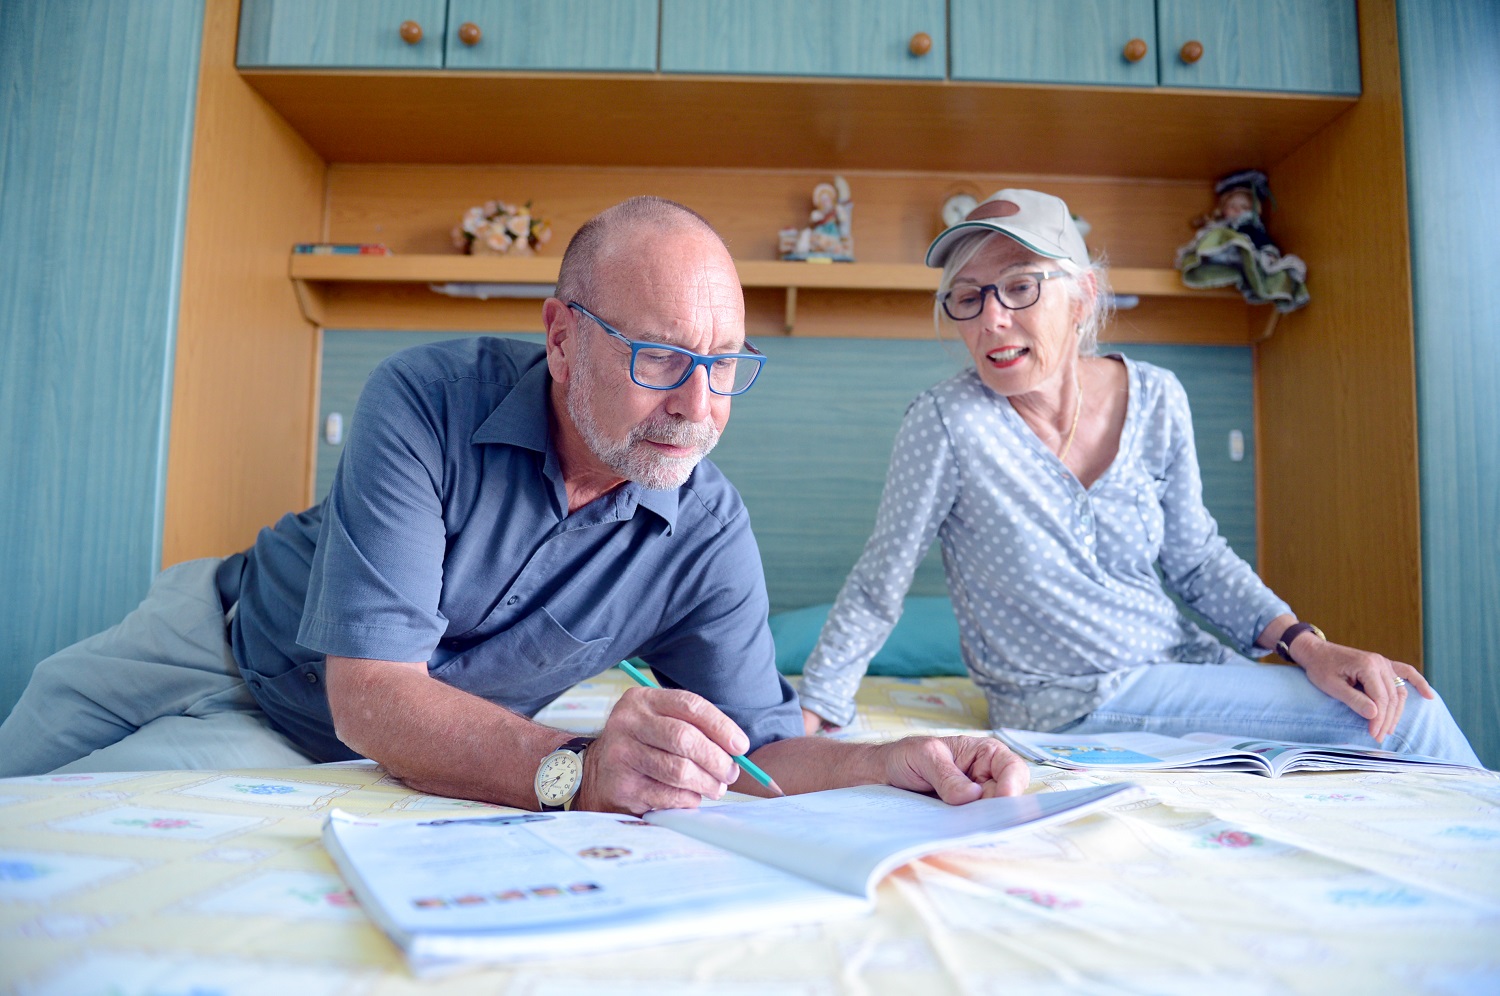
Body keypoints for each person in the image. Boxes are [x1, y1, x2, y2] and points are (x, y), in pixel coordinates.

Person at [0, 197, 1030, 811]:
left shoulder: (706, 530)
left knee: (43, 819)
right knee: (28, 738)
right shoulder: (424, 397)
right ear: (563, 334)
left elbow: (755, 747)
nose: (698, 406)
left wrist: (889, 759)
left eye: (724, 365)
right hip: (213, 629)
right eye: (663, 357)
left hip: (299, 737)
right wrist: (574, 769)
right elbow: (375, 688)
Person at [796, 189, 1482, 768]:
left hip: (1181, 664)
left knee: (1378, 701)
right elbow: (880, 581)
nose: (991, 319)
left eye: (1020, 286)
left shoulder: (1157, 398)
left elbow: (1197, 560)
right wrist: (820, 706)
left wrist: (1309, 646)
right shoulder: (949, 423)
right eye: (968, 298)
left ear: (1081, 295)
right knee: (1410, 721)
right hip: (1070, 700)